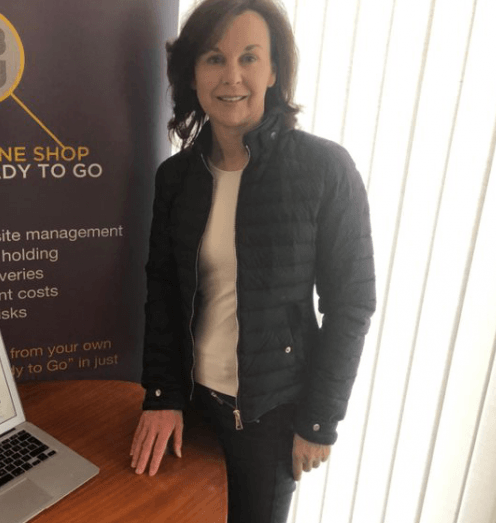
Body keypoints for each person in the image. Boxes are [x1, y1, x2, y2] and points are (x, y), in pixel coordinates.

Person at [129, 0, 376, 521]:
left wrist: (318, 421)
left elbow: (352, 303)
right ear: (193, 73)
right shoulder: (175, 179)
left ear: (273, 70)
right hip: (193, 410)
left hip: (270, 420)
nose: (232, 76)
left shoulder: (323, 168)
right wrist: (161, 395)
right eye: (214, 58)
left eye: (249, 57)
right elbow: (163, 292)